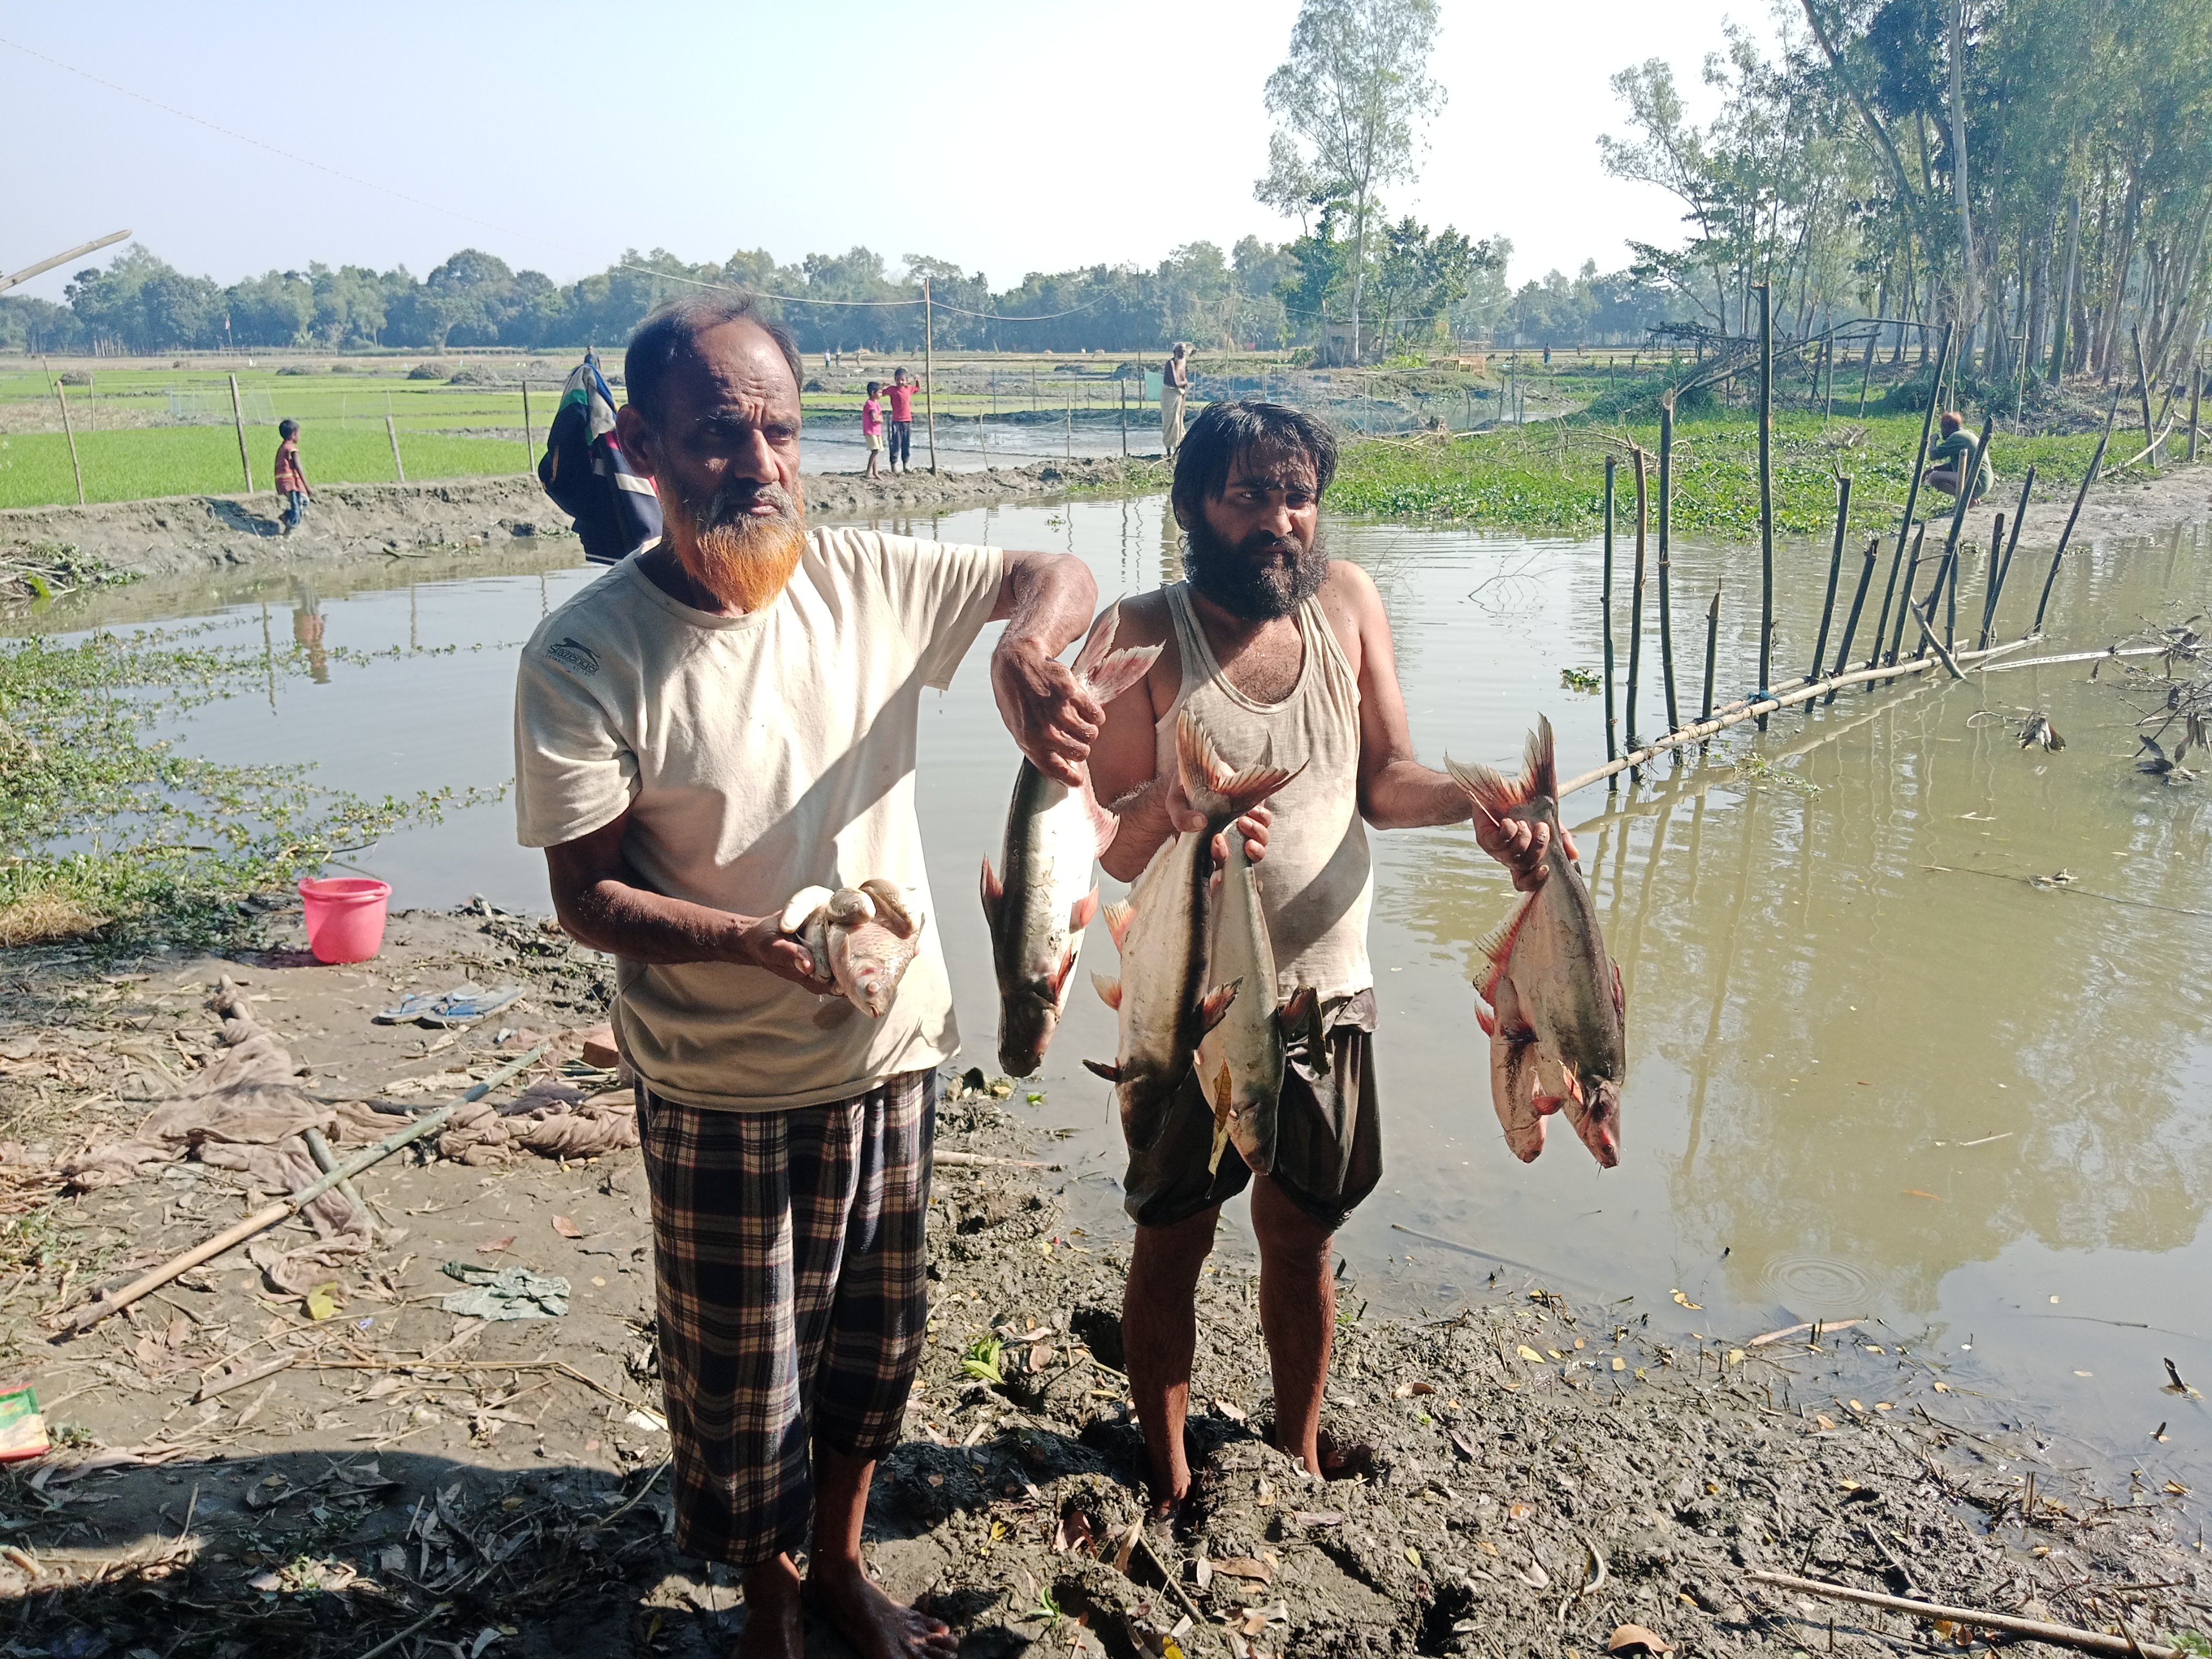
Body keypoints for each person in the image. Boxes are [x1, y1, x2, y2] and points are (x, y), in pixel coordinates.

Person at [512, 292, 1101, 1659]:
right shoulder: (587, 651)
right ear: (640, 445)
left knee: (870, 1352)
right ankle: (770, 1603)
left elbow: (1051, 570)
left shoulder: (864, 578)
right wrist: (756, 944)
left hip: (886, 1059)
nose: (760, 462)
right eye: (720, 433)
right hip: (714, 1078)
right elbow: (585, 895)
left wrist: (1025, 647)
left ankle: (839, 1566)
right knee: (738, 1376)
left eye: (780, 428)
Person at [1085, 398, 1562, 1521]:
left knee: (1300, 1234)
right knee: (1171, 1234)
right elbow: (1107, 846)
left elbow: (1385, 781)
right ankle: (1166, 1469)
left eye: (1296, 496)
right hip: (1186, 1002)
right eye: (1248, 496)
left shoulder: (1347, 605)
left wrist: (1482, 801)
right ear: (1195, 507)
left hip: (1328, 995)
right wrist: (1174, 811)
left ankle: (1293, 1449)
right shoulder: (1136, 635)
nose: (1279, 521)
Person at [1924, 410, 1993, 504]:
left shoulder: (1956, 438)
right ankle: (1970, 499)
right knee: (1935, 473)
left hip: (1976, 482)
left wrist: (1933, 440)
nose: (1941, 431)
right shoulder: (1966, 434)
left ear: (1947, 427)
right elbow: (1962, 463)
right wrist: (1936, 468)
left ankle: (1967, 500)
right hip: (1984, 482)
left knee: (1934, 478)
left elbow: (1933, 455)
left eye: (1942, 428)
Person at [274, 418, 312, 532]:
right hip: (289, 482)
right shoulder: (292, 449)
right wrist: (307, 487)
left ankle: (287, 517)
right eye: (299, 434)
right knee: (297, 506)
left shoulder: (283, 447)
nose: (299, 436)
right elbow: (298, 467)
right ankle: (289, 529)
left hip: (283, 481)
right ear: (293, 435)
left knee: (304, 501)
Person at [1161, 342, 1190, 458]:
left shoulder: (1183, 362)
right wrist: (1186, 382)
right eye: (1180, 351)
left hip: (1179, 394)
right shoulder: (1171, 364)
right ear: (1175, 352)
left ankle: (1177, 451)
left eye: (1184, 351)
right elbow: (1175, 383)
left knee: (1179, 422)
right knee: (1169, 422)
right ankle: (1168, 453)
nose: (1183, 353)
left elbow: (1182, 384)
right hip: (1169, 394)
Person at [885, 367, 917, 473]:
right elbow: (881, 393)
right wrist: (883, 385)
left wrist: (918, 380)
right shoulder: (892, 390)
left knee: (906, 443)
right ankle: (894, 465)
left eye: (903, 380)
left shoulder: (909, 389)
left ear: (907, 380)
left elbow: (917, 389)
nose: (900, 382)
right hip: (897, 421)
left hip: (907, 421)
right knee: (896, 443)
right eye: (898, 379)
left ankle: (905, 465)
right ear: (895, 379)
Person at [862, 380, 886, 480]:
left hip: (876, 430)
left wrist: (879, 419)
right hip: (871, 430)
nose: (881, 394)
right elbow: (875, 418)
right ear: (873, 393)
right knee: (875, 451)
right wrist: (879, 419)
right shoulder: (870, 404)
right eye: (880, 392)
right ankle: (869, 472)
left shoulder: (876, 404)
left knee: (876, 451)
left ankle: (875, 472)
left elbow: (880, 417)